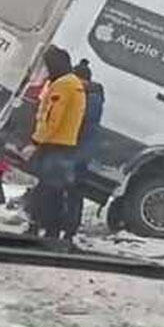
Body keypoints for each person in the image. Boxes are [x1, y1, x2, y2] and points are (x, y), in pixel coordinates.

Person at [24, 46, 87, 239]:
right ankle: (52, 229)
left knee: (47, 191)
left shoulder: (62, 85)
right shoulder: (74, 84)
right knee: (55, 191)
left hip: (54, 145)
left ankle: (44, 228)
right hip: (67, 145)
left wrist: (35, 141)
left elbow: (52, 118)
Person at [63, 59, 105, 240]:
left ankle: (69, 228)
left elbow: (82, 122)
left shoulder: (90, 98)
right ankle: (67, 227)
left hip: (78, 152)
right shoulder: (92, 95)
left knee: (72, 191)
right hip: (79, 151)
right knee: (71, 191)